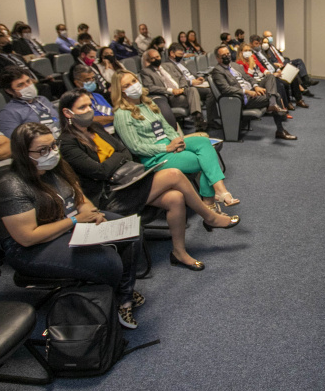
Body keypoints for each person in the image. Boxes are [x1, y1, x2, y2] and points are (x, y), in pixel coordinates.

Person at [58, 90, 238, 271]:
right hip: (110, 195)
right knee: (174, 174)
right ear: (67, 113)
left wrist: (115, 159)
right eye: (82, 107)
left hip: (128, 180)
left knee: (175, 197)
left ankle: (179, 253)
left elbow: (125, 152)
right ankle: (210, 216)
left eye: (90, 105)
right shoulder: (67, 143)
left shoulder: (95, 128)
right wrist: (117, 158)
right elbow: (100, 171)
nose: (89, 110)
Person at [0, 122, 144, 328]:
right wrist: (75, 220)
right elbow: (27, 237)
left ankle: (123, 296)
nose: (52, 153)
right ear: (23, 154)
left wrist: (93, 213)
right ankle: (115, 296)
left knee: (132, 231)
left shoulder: (55, 169)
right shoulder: (12, 187)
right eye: (42, 150)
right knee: (108, 261)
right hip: (30, 248)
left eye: (53, 146)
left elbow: (78, 196)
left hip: (65, 224)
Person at [111, 70, 240, 207]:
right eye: (126, 85)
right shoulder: (122, 114)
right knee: (203, 160)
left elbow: (166, 128)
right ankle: (211, 199)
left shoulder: (148, 104)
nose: (133, 85)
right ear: (121, 92)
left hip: (169, 144)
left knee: (203, 142)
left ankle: (215, 195)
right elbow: (135, 147)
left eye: (134, 81)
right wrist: (166, 148)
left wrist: (177, 141)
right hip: (155, 156)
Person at [210, 45, 296, 141]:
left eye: (228, 54)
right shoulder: (217, 71)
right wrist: (247, 91)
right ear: (218, 58)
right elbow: (226, 89)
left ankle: (272, 103)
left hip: (252, 90)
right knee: (277, 95)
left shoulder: (235, 65)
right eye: (223, 55)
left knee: (270, 77)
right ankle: (280, 130)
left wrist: (256, 87)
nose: (227, 56)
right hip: (242, 98)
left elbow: (249, 78)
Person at [139, 49, 205, 130]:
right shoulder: (146, 72)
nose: (156, 59)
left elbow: (181, 77)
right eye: (153, 58)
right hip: (170, 96)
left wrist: (182, 87)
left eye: (158, 57)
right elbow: (150, 87)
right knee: (190, 98)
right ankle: (198, 120)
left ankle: (197, 117)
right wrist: (171, 90)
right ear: (149, 60)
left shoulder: (169, 65)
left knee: (192, 89)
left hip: (181, 89)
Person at [0, 32, 56, 100]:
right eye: (4, 43)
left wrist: (44, 77)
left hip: (36, 81)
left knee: (59, 83)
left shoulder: (17, 56)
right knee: (44, 87)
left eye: (8, 42)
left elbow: (30, 69)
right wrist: (28, 81)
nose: (8, 44)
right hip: (22, 86)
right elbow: (4, 78)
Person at [0, 66, 60, 138]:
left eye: (28, 81)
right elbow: (15, 143)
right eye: (20, 85)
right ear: (9, 91)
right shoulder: (7, 114)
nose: (27, 86)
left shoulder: (42, 99)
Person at [250, 35, 308, 109]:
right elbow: (261, 68)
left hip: (274, 70)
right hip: (268, 74)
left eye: (259, 43)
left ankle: (299, 100)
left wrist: (277, 70)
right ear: (251, 44)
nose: (258, 45)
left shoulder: (262, 51)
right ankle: (288, 103)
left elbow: (269, 62)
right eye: (256, 44)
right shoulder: (252, 54)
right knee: (284, 82)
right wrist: (272, 73)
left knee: (293, 75)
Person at [68, 63, 114, 128]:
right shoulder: (76, 101)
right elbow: (89, 120)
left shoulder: (98, 96)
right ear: (77, 82)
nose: (91, 81)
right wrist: (114, 119)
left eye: (92, 78)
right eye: (87, 79)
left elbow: (111, 111)